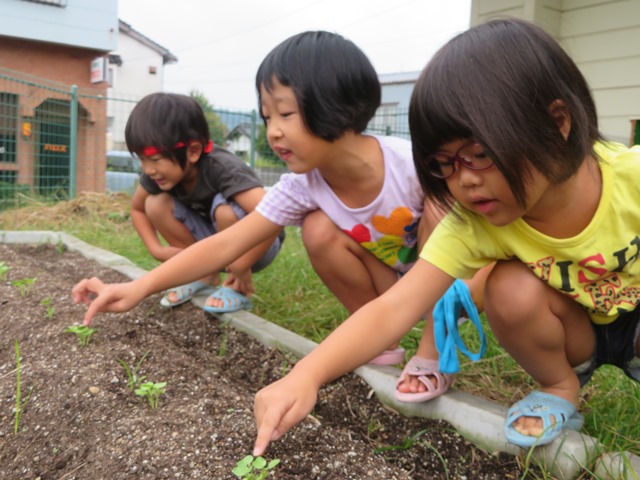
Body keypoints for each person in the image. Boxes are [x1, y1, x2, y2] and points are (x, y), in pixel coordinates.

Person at [250, 18, 640, 456]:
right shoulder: (475, 221)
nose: (464, 181)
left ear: (556, 123)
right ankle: (560, 385)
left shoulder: (631, 178)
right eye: (444, 164)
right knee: (508, 287)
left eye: (479, 154)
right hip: (577, 329)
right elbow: (394, 307)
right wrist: (305, 374)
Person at [73, 32, 483, 387]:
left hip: (456, 280)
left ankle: (433, 348)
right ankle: (379, 338)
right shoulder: (304, 185)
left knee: (441, 210)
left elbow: (476, 244)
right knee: (317, 228)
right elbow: (225, 244)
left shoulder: (411, 166)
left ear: (339, 108)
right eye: (267, 117)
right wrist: (139, 287)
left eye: (286, 114)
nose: (273, 131)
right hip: (394, 284)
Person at [126, 92, 284, 313]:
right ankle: (204, 274)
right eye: (142, 159)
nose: (148, 170)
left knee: (225, 210)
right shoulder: (159, 174)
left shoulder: (224, 169)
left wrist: (241, 264)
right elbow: (138, 209)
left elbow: (277, 214)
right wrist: (156, 249)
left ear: (193, 151)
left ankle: (237, 287)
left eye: (155, 159)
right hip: (214, 245)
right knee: (155, 203)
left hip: (258, 244)